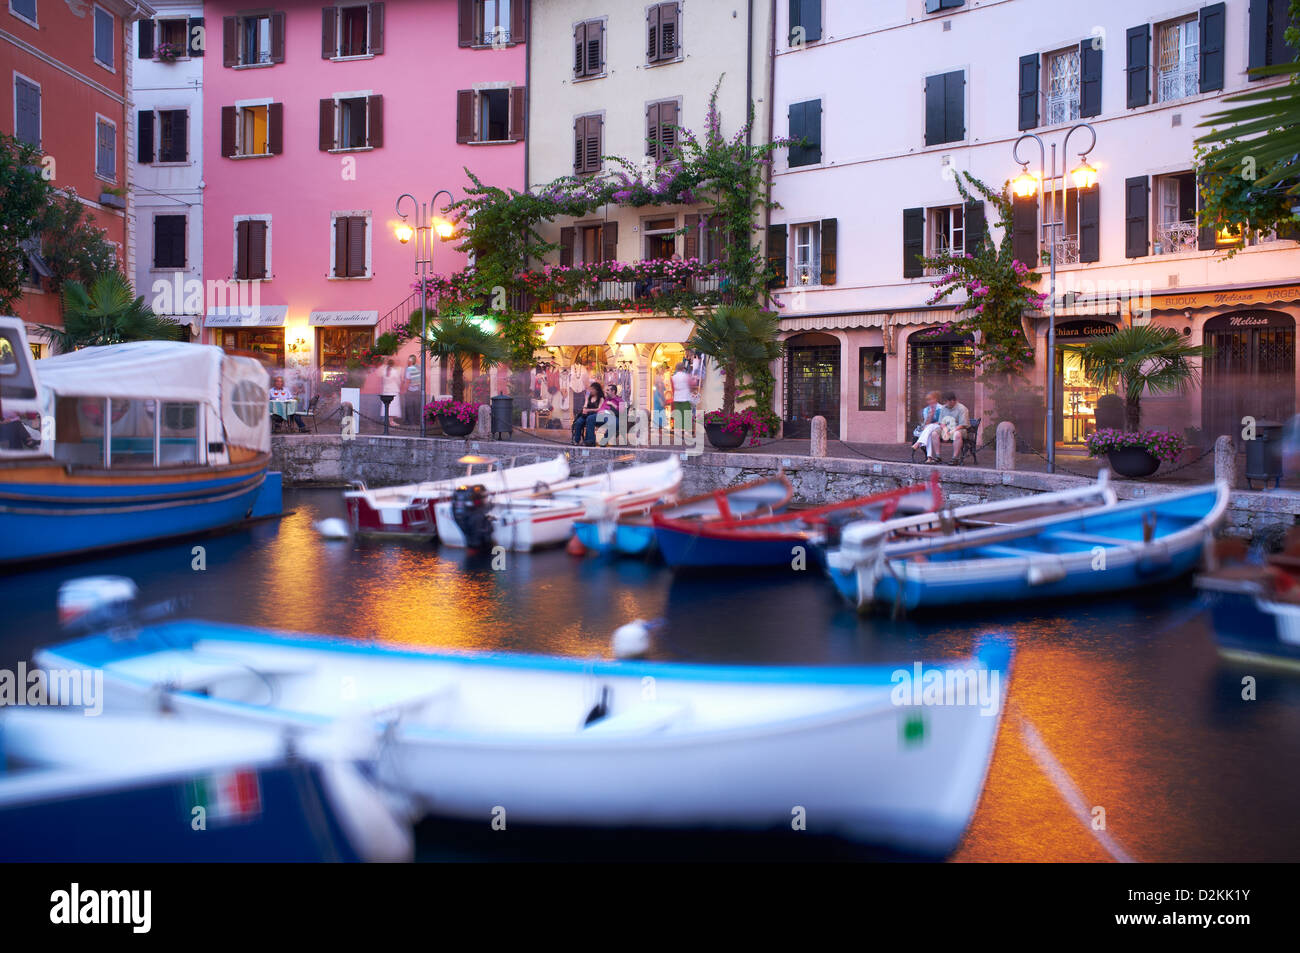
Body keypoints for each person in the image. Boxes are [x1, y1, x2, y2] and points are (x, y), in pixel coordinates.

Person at [925, 390, 972, 465]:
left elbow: (962, 425)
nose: (945, 404)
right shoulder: (944, 408)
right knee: (934, 433)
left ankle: (955, 458)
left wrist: (951, 432)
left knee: (957, 434)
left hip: (959, 429)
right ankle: (938, 456)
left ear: (952, 401)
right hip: (946, 428)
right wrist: (945, 430)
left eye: (946, 402)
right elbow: (941, 422)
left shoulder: (962, 409)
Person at [912, 391, 943, 460]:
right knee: (929, 432)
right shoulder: (926, 410)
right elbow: (926, 423)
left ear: (935, 399)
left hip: (940, 427)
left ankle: (919, 442)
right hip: (930, 429)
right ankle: (929, 457)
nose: (929, 401)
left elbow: (942, 422)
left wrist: (933, 423)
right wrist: (931, 414)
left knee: (929, 427)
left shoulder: (941, 408)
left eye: (930, 399)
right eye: (927, 400)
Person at [571, 381, 604, 446]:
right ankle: (576, 440)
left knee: (589, 421)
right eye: (590, 389)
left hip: (595, 415)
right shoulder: (589, 397)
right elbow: (585, 404)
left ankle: (588, 441)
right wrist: (584, 408)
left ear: (596, 390)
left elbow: (599, 409)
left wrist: (589, 410)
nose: (591, 391)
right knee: (579, 422)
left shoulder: (601, 398)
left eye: (592, 389)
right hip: (586, 415)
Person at [670, 361, 697, 434]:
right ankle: (687, 431)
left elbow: (673, 388)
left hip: (676, 397)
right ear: (683, 368)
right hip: (685, 397)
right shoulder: (686, 376)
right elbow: (692, 384)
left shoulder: (673, 377)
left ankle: (678, 430)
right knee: (686, 414)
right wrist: (694, 379)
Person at [402, 354, 421, 422]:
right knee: (410, 406)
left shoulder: (417, 367)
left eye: (409, 359)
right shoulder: (407, 367)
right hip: (411, 389)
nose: (408, 361)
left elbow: (408, 379)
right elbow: (405, 378)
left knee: (415, 406)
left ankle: (414, 421)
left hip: (415, 389)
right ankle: (410, 421)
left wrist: (405, 387)